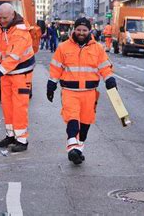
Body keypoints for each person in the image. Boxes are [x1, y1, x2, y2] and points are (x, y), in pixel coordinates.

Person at [47, 17, 116, 165]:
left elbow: (105, 66)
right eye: (78, 29)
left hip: (89, 92)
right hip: (69, 91)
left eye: (84, 30)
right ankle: (72, 148)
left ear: (89, 31)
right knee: (72, 119)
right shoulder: (63, 47)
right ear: (74, 30)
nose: (81, 32)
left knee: (85, 124)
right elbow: (55, 68)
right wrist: (51, 84)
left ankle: (78, 150)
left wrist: (109, 79)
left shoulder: (97, 48)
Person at [0, 3, 35, 152]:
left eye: (5, 18)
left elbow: (13, 58)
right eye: (0, 17)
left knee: (19, 108)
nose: (2, 20)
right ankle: (10, 135)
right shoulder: (0, 25)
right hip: (7, 73)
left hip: (20, 73)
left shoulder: (20, 32)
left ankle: (22, 140)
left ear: (13, 15)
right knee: (7, 106)